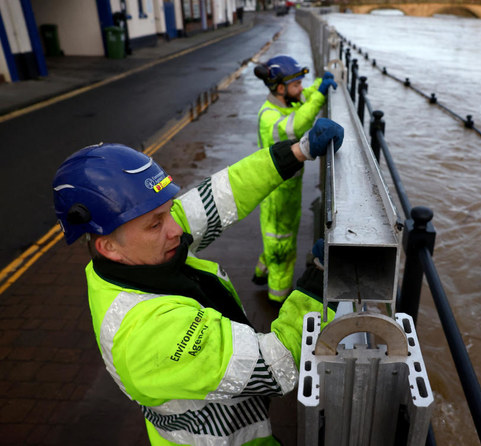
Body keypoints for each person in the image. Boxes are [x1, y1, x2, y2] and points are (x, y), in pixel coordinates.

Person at [52, 118, 344, 446]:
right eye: (155, 223)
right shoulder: (145, 335)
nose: (175, 228)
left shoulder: (138, 248)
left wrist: (295, 152)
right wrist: (319, 282)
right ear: (108, 246)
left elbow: (220, 197)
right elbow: (277, 366)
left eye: (168, 211)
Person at [252, 55, 338, 303]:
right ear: (281, 88)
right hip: (278, 196)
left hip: (285, 191)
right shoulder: (269, 116)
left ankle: (261, 274)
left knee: (275, 238)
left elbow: (300, 100)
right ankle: (277, 299)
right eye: (297, 85)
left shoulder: (282, 104)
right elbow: (298, 125)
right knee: (282, 247)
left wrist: (318, 84)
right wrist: (320, 95)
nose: (301, 89)